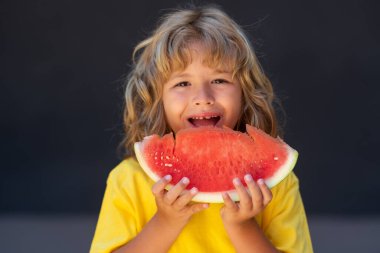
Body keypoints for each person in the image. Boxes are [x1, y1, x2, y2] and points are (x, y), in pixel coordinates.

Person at [90, 5, 313, 253]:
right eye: (182, 83)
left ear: (245, 93)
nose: (202, 97)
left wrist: (243, 226)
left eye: (219, 80)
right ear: (157, 98)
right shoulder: (128, 180)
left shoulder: (276, 184)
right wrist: (165, 222)